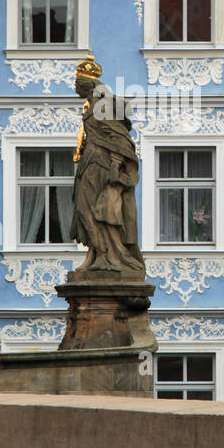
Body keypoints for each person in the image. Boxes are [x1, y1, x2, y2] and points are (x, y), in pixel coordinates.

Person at [69, 54, 146, 279]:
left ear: (86, 84)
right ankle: (97, 254)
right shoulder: (93, 105)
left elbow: (120, 139)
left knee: (94, 210)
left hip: (101, 165)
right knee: (85, 209)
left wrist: (115, 165)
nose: (75, 89)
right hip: (90, 162)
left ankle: (108, 254)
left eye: (76, 84)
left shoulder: (102, 105)